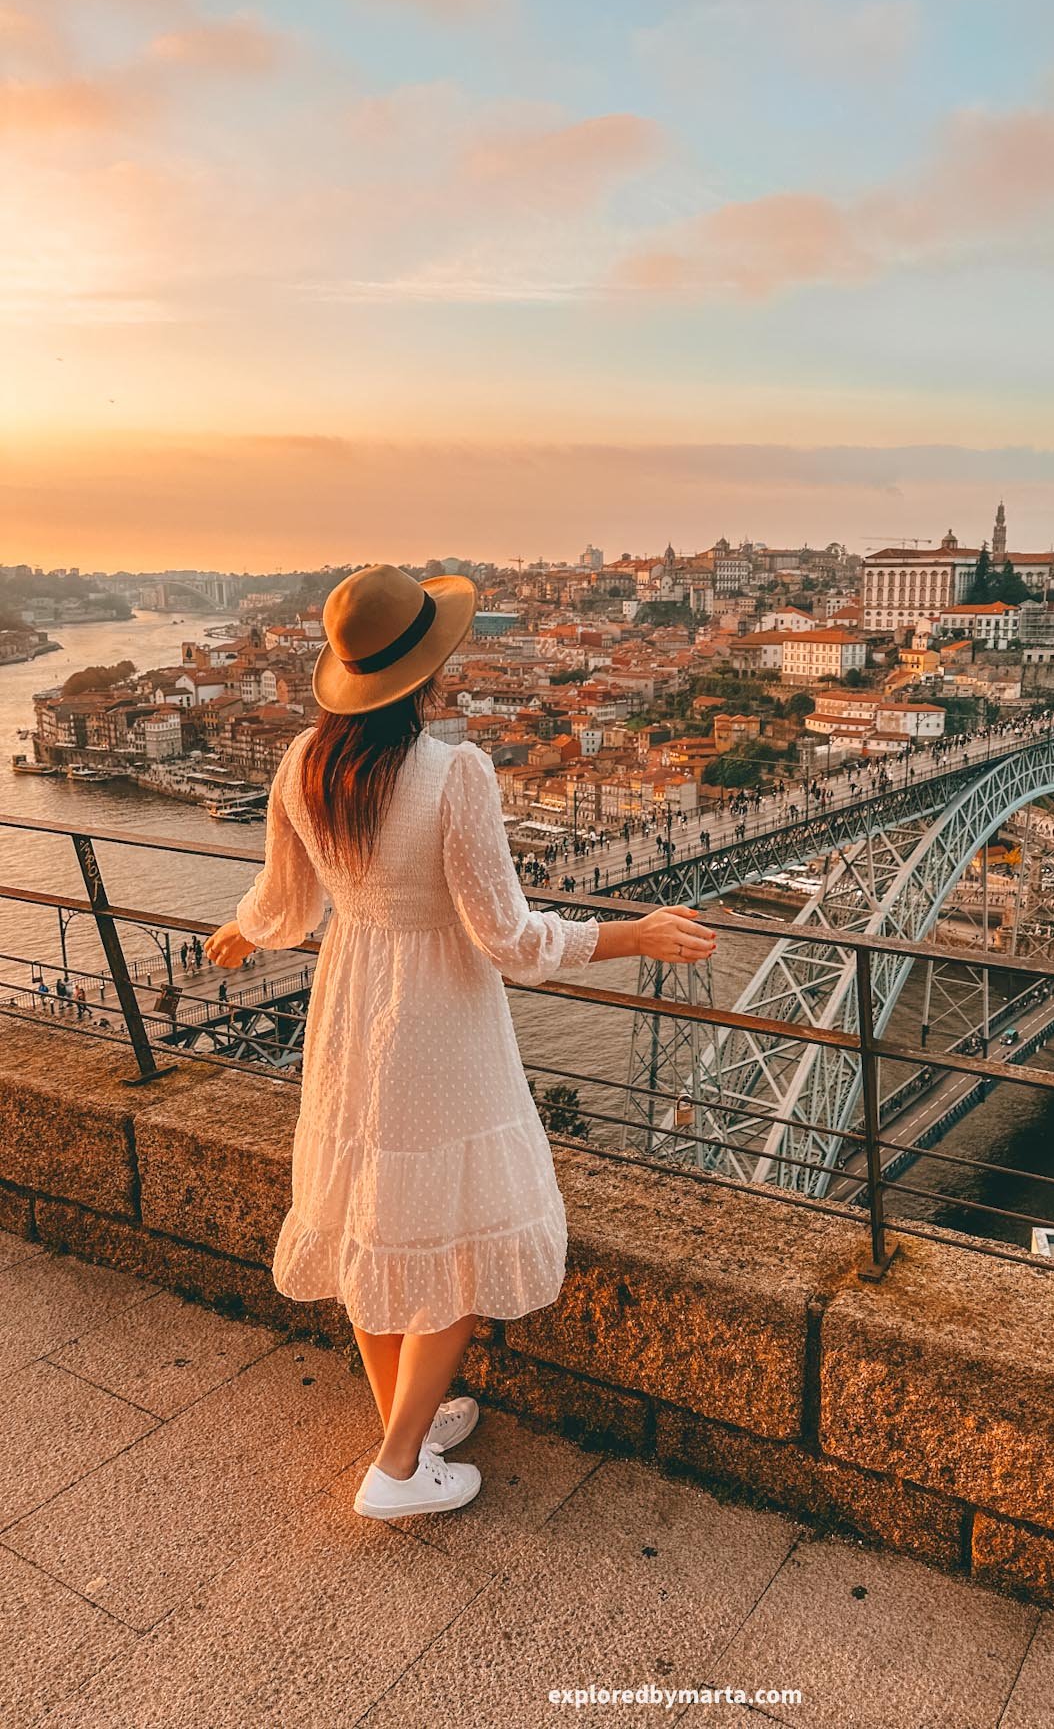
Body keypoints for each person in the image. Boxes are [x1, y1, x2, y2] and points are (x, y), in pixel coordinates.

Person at [207, 565, 714, 1524]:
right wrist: (634, 935)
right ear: (428, 673)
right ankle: (399, 1469)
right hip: (438, 1025)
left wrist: (245, 929)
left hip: (350, 1007)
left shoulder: (304, 762)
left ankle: (409, 1422)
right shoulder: (454, 774)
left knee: (375, 1223)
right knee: (457, 1240)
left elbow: (286, 902)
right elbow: (509, 939)